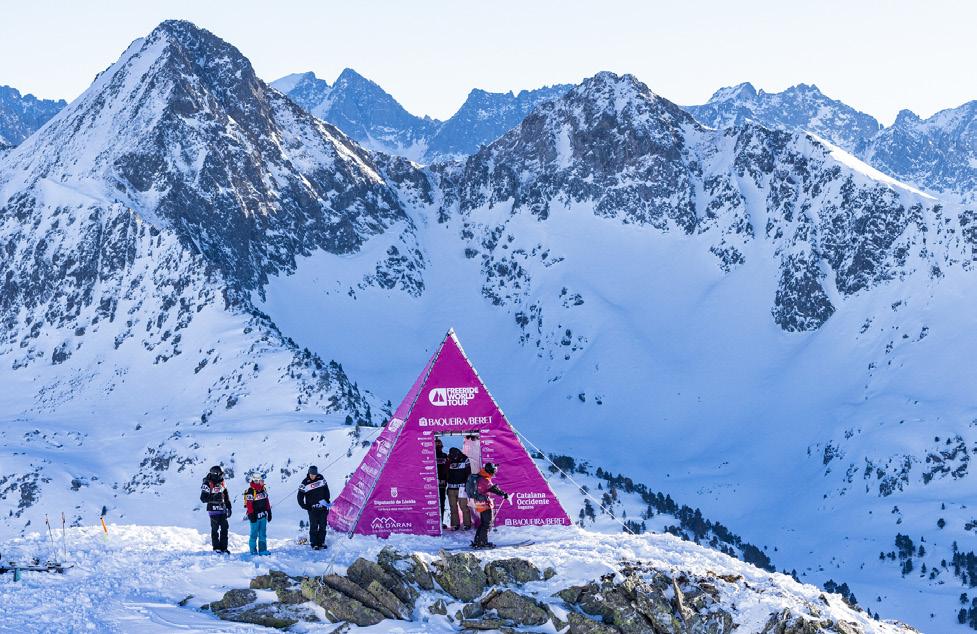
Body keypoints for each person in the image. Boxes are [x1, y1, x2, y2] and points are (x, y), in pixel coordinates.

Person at [469, 462, 508, 549]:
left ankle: (478, 541)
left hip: (479, 502)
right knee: (487, 523)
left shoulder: (480, 476)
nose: (494, 473)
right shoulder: (485, 479)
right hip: (485, 503)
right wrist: (504, 494)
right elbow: (493, 489)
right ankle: (482, 542)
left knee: (483, 523)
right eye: (494, 470)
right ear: (490, 471)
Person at [200, 465, 232, 553]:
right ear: (216, 474)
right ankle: (216, 547)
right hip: (213, 509)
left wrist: (229, 507)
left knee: (225, 527)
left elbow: (226, 496)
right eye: (221, 474)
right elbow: (203, 498)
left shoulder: (222, 482)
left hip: (222, 508)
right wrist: (213, 496)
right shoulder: (207, 483)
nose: (222, 476)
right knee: (215, 529)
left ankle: (224, 548)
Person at [297, 465, 330, 550]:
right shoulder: (305, 482)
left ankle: (321, 542)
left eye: (314, 475)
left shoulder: (321, 478)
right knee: (314, 526)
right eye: (311, 475)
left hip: (323, 507)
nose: (313, 476)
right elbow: (300, 496)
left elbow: (326, 489)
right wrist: (304, 506)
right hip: (312, 508)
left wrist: (327, 500)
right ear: (309, 473)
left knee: (323, 525)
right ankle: (314, 543)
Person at [243, 473, 272, 555]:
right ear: (254, 480)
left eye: (260, 480)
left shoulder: (263, 489)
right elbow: (249, 504)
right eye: (257, 480)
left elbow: (267, 501)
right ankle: (253, 551)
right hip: (254, 516)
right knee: (254, 534)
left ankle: (263, 550)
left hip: (263, 515)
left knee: (262, 533)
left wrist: (269, 511)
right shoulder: (251, 491)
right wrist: (251, 514)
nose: (259, 482)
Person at [445, 447, 472, 530]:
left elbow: (469, 473)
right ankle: (455, 524)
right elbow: (445, 472)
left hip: (461, 488)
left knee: (463, 506)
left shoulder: (465, 459)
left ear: (458, 454)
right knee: (453, 507)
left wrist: (467, 485)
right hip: (451, 487)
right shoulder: (449, 459)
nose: (454, 458)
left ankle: (467, 524)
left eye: (455, 457)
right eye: (452, 457)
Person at [436, 439, 448, 527]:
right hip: (431, 482)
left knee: (442, 502)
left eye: (439, 445)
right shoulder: (429, 455)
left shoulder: (445, 455)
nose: (438, 447)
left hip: (442, 483)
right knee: (433, 503)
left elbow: (447, 469)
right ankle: (435, 522)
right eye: (436, 445)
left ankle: (441, 521)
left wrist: (445, 479)